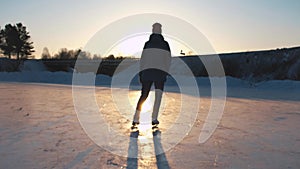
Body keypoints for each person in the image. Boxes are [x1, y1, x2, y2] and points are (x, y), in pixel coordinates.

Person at [132, 23, 171, 127]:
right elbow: (168, 59)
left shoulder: (148, 43)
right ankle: (154, 118)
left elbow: (143, 59)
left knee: (144, 95)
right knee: (157, 96)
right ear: (160, 30)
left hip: (148, 73)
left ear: (153, 30)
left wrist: (141, 73)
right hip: (158, 73)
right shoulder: (164, 44)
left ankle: (136, 118)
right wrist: (165, 71)